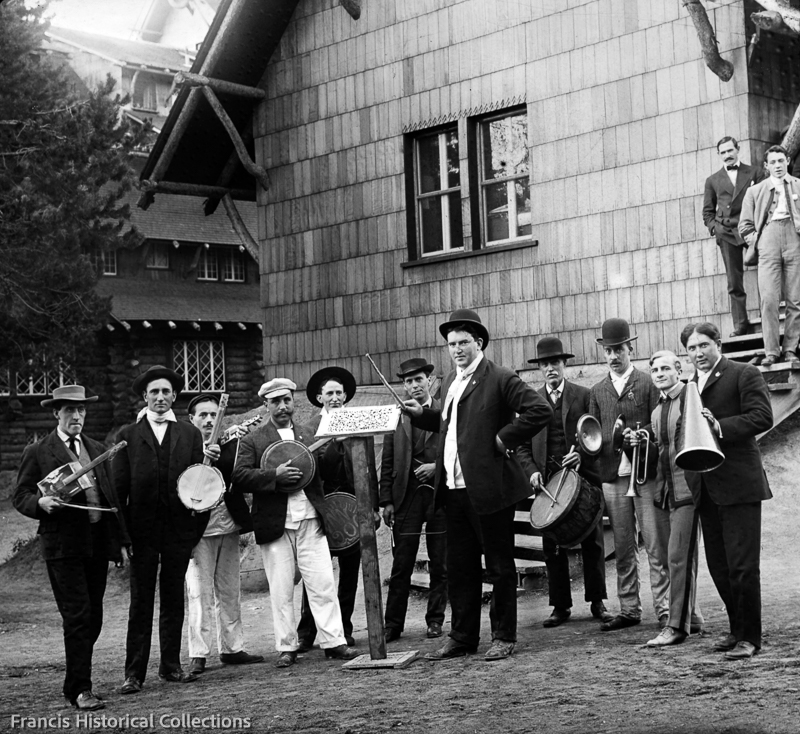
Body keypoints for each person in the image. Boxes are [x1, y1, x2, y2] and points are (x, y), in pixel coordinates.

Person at [404, 308, 552, 661]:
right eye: (451, 343)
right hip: (452, 489)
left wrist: (504, 438)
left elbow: (539, 410)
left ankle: (504, 635)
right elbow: (452, 428)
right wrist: (421, 415)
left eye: (463, 342)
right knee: (460, 567)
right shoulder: (452, 384)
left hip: (489, 490)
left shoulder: (499, 377)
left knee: (500, 566)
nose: (456, 349)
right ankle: (462, 636)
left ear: (479, 343)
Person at [13, 385, 129, 711]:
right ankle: (81, 689)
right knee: (77, 616)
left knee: (93, 619)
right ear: (56, 414)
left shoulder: (96, 448)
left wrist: (120, 543)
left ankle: (74, 682)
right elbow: (20, 495)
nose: (76, 416)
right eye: (68, 411)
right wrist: (41, 502)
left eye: (80, 410)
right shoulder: (39, 451)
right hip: (63, 546)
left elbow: (111, 498)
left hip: (96, 544)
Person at [232, 378, 358, 666]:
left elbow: (325, 468)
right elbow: (239, 476)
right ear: (266, 405)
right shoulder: (253, 439)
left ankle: (334, 641)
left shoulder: (309, 433)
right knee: (281, 588)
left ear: (294, 402)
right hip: (276, 524)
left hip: (311, 520)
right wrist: (273, 476)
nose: (282, 406)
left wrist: (336, 445)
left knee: (322, 583)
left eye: (287, 400)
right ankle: (287, 647)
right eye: (275, 401)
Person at [681, 322, 772, 659]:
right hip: (706, 487)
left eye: (703, 345)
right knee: (719, 566)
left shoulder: (743, 373)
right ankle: (736, 630)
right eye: (691, 348)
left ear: (718, 344)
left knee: (743, 566)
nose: (698, 354)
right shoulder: (690, 385)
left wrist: (719, 426)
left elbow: (762, 417)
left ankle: (751, 637)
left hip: (740, 485)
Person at [114, 365, 205, 693]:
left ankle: (171, 666)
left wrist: (194, 532)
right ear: (145, 397)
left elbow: (200, 486)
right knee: (140, 601)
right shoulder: (127, 436)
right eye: (154, 392)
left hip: (179, 530)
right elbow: (118, 489)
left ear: (175, 396)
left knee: (173, 597)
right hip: (142, 533)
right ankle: (133, 673)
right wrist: (123, 537)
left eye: (166, 392)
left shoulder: (190, 434)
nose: (161, 397)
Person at [516, 337, 612, 628]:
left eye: (555, 363)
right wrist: (531, 470)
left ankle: (598, 601)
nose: (550, 369)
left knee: (593, 541)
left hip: (582, 481)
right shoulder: (530, 401)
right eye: (545, 364)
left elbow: (595, 435)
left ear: (564, 364)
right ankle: (560, 606)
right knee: (553, 545)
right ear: (540, 369)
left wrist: (581, 456)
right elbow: (520, 445)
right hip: (548, 487)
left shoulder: (584, 395)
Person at [588, 319, 671, 632]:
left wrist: (640, 434)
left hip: (644, 473)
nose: (613, 356)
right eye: (608, 350)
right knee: (623, 546)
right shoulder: (597, 391)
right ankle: (629, 609)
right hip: (612, 476)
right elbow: (591, 434)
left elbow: (658, 423)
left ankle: (665, 610)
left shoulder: (648, 382)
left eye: (618, 349)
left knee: (654, 542)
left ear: (629, 349)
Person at [296, 367, 379, 651]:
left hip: (354, 510)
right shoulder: (307, 429)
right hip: (322, 509)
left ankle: (342, 628)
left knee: (350, 572)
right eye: (329, 393)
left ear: (345, 396)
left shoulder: (357, 422)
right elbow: (308, 468)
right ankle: (307, 632)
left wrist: (372, 508)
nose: (334, 397)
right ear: (319, 397)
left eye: (339, 393)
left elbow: (369, 468)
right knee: (316, 574)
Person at [184, 394, 263, 675]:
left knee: (230, 591)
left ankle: (232, 648)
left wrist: (228, 445)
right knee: (199, 593)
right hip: (198, 532)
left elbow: (237, 476)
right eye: (202, 415)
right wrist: (205, 452)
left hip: (228, 526)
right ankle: (199, 653)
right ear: (191, 419)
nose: (208, 420)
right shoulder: (183, 447)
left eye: (213, 415)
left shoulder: (230, 444)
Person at [638, 351, 705, 646]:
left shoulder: (691, 398)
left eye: (666, 368)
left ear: (679, 370)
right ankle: (694, 618)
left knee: (679, 558)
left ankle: (676, 627)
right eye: (654, 370)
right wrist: (643, 442)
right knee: (674, 557)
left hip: (688, 491)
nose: (659, 373)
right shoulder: (656, 410)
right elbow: (661, 451)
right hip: (665, 493)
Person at [380, 357, 447, 642]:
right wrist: (386, 501)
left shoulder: (444, 412)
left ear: (429, 381)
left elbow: (457, 449)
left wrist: (436, 467)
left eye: (418, 379)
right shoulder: (397, 416)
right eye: (408, 381)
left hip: (438, 495)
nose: (414, 386)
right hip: (405, 497)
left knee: (440, 562)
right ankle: (393, 624)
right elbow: (387, 461)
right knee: (401, 564)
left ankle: (435, 620)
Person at [739, 144, 800, 366]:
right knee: (769, 299)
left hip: (795, 240)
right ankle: (772, 351)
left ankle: (791, 348)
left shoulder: (799, 186)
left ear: (788, 162)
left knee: (796, 299)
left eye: (781, 161)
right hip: (767, 242)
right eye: (773, 162)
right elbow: (744, 226)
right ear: (766, 166)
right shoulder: (755, 191)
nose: (777, 165)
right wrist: (757, 241)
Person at [703, 135, 767, 337]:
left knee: (769, 271)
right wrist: (715, 228)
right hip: (727, 232)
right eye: (723, 152)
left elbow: (766, 199)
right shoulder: (712, 180)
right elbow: (707, 211)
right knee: (734, 281)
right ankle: (740, 324)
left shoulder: (755, 172)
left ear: (737, 149)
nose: (727, 155)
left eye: (730, 150)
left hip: (753, 229)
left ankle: (770, 318)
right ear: (718, 155)